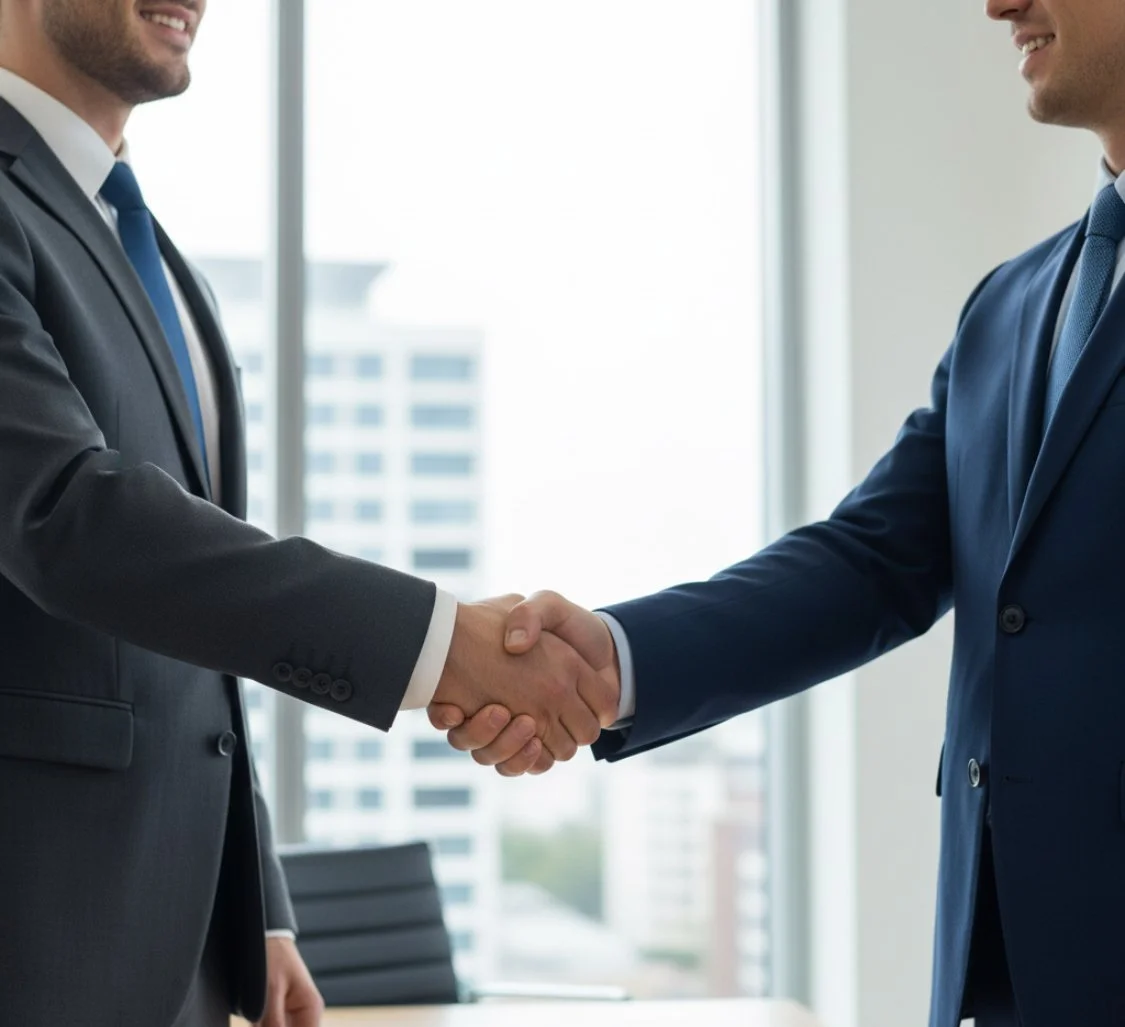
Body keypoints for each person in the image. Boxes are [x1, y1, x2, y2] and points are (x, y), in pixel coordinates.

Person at [430, 0, 1125, 1023]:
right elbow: (871, 563)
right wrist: (615, 659)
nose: (998, 3)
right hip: (1004, 976)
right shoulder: (1009, 306)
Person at [0, 2, 618, 1025]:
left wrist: (257, 907)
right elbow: (70, 519)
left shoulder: (159, 261)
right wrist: (439, 644)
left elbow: (186, 625)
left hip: (177, 942)